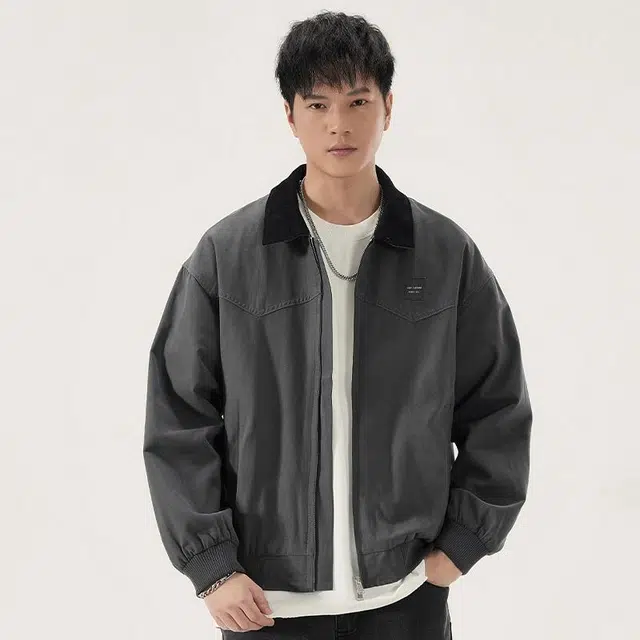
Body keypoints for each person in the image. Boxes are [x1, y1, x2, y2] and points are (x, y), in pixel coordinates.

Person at [142, 10, 532, 639]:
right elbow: (177, 415)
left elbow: (498, 406)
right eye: (317, 104)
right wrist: (211, 567)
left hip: (405, 592)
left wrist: (462, 544)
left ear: (388, 107)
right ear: (290, 115)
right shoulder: (228, 256)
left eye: (358, 101)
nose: (339, 124)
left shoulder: (444, 254)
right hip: (263, 603)